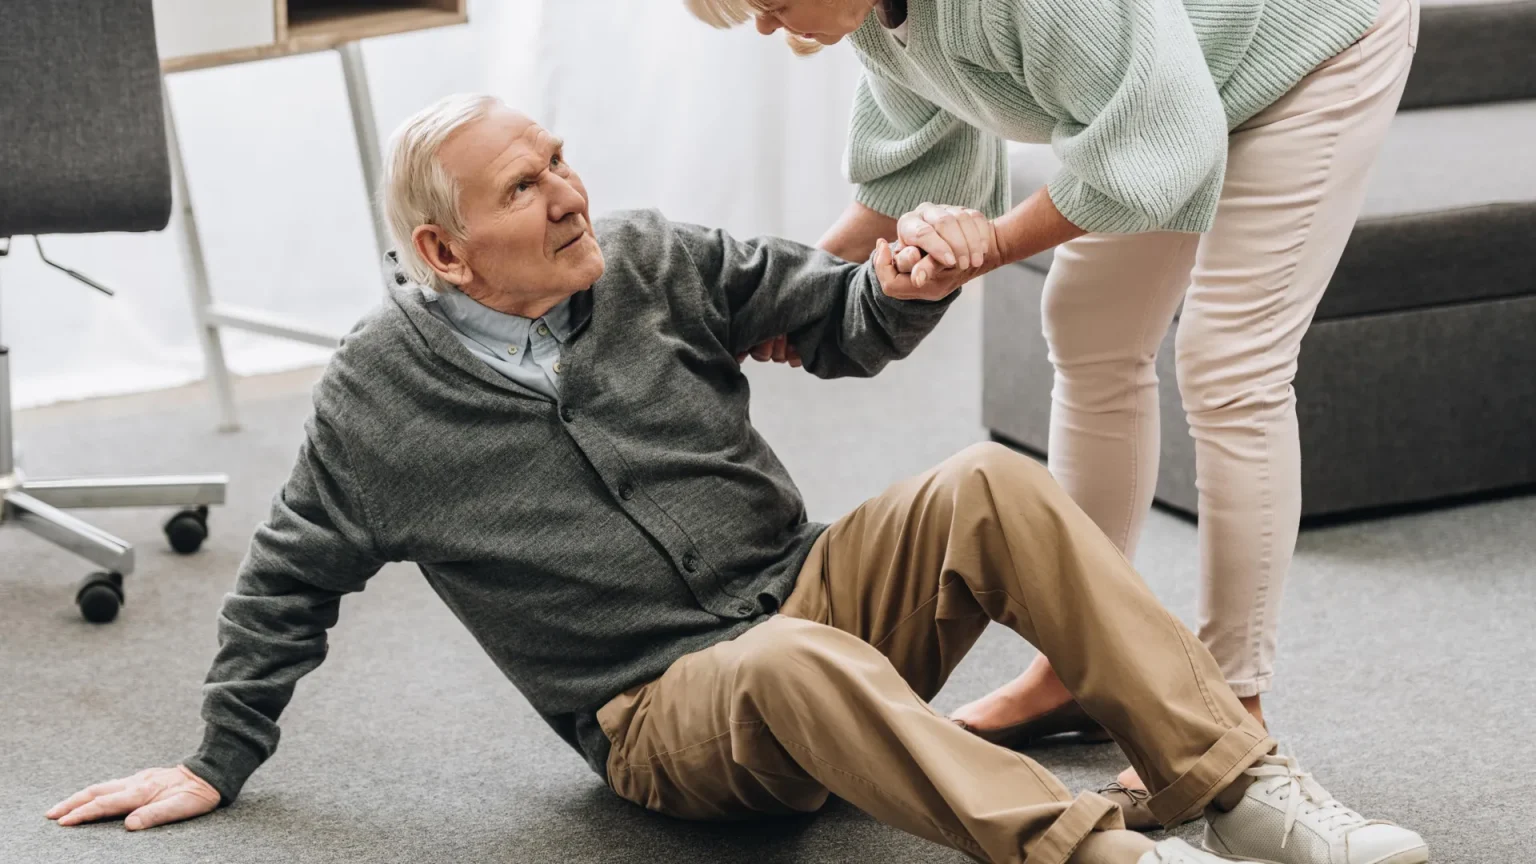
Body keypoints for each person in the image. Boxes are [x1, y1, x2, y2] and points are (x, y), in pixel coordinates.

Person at [45, 95, 1427, 864]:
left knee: (984, 486)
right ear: (447, 254)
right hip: (663, 715)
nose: (570, 192)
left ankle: (1237, 790)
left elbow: (833, 321)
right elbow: (286, 581)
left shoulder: (646, 256)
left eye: (561, 158)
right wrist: (216, 760)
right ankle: (1102, 861)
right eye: (525, 188)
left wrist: (904, 280)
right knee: (786, 664)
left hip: (811, 600)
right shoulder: (375, 403)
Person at [686, 0, 1420, 829]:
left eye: (772, 2)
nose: (768, 29)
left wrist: (990, 245)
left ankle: (1231, 708)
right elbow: (917, 174)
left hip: (1311, 48)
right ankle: (1073, 668)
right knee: (1089, 324)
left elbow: (1157, 144)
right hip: (1172, 85)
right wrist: (789, 297)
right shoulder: (872, 20)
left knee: (1228, 364)